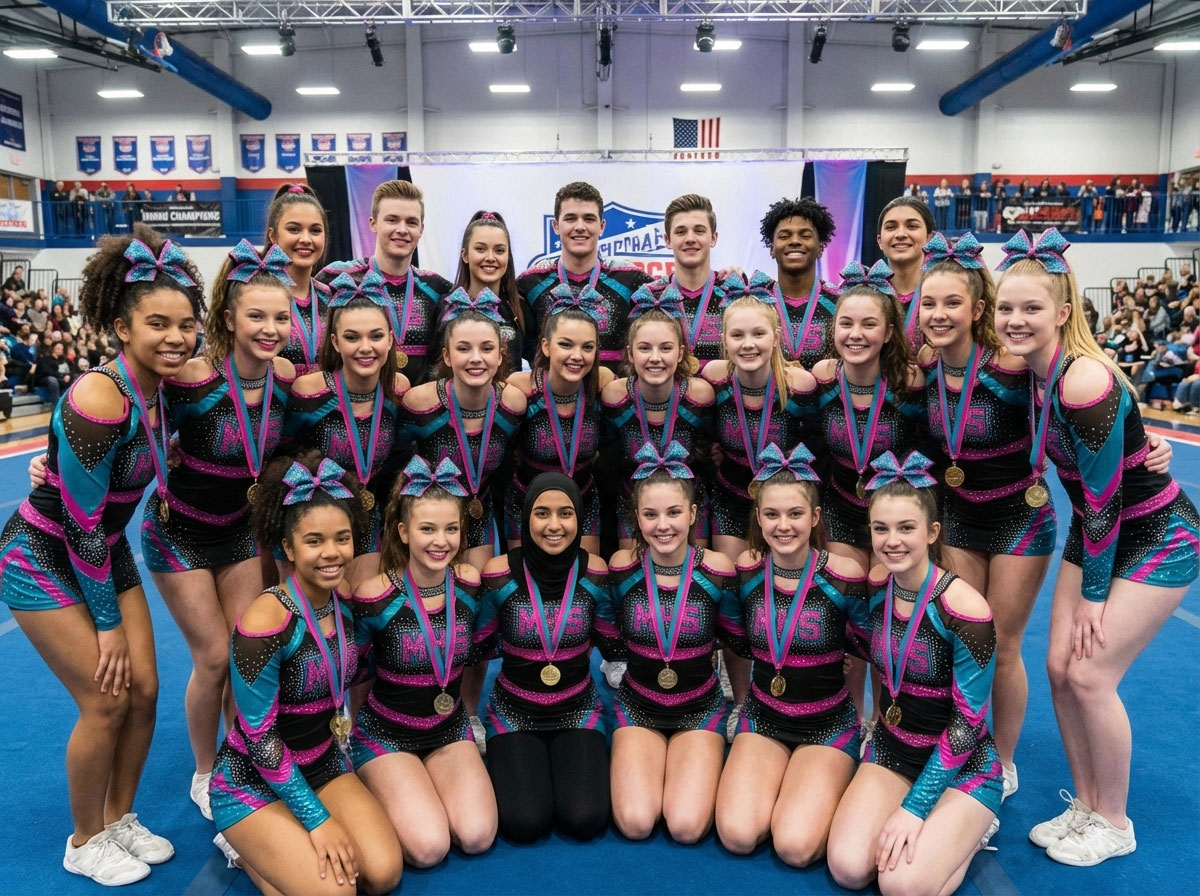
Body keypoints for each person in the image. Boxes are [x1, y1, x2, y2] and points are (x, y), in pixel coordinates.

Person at [0, 226, 205, 886]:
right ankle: (84, 839)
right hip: (41, 555)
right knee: (106, 698)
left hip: (100, 549)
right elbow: (80, 527)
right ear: (121, 326)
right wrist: (108, 627)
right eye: (157, 324)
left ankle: (119, 820)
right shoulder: (99, 396)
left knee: (145, 691)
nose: (175, 337)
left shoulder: (160, 389)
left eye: (185, 324)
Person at [994, 228, 1199, 866]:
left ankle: (1114, 821)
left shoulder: (1082, 380)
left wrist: (1092, 596)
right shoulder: (1031, 371)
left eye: (1032, 308)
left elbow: (1109, 498)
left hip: (1156, 534)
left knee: (1089, 673)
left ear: (1063, 311)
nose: (1016, 320)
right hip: (1099, 529)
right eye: (1006, 308)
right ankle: (1084, 805)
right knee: (1058, 668)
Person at [139, 240, 294, 821]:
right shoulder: (190, 378)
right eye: (256, 315)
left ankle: (242, 757)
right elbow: (133, 419)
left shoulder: (286, 379)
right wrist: (48, 464)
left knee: (248, 653)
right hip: (179, 535)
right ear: (228, 318)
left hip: (238, 534)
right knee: (210, 658)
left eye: (280, 316)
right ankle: (206, 772)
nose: (270, 327)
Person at [208, 452, 402, 895]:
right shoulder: (264, 622)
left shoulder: (344, 607)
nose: (331, 553)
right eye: (314, 541)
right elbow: (260, 739)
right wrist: (317, 821)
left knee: (384, 873)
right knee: (338, 892)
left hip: (323, 761)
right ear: (288, 548)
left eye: (342, 539)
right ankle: (241, 846)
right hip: (252, 779)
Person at [916, 231, 1057, 801]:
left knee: (1002, 642)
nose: (939, 314)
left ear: (978, 309)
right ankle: (963, 745)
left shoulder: (1012, 364)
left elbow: (1083, 381)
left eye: (953, 303)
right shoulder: (923, 367)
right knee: (963, 639)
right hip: (958, 518)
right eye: (928, 303)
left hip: (1019, 519)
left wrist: (1146, 447)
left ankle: (1001, 759)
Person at [829, 450, 1000, 895]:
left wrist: (915, 808)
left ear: (932, 532)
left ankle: (972, 828)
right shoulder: (877, 588)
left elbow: (969, 723)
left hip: (962, 763)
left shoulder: (965, 609)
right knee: (848, 868)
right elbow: (865, 640)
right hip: (893, 747)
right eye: (881, 528)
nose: (893, 541)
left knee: (900, 886)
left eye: (906, 528)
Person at [716, 444, 867, 865]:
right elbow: (737, 641)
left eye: (796, 514)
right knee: (737, 834)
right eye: (772, 515)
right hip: (764, 716)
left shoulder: (843, 574)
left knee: (795, 847)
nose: (784, 526)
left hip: (826, 721)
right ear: (758, 518)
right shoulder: (746, 569)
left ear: (815, 518)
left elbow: (875, 647)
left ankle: (821, 784)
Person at [351, 456, 497, 867]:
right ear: (403, 531)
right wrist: (354, 731)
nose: (441, 541)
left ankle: (427, 781)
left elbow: (477, 653)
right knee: (430, 847)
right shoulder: (374, 596)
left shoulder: (469, 584)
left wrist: (468, 714)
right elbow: (356, 674)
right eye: (427, 529)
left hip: (448, 727)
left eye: (451, 529)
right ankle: (381, 777)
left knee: (477, 835)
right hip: (387, 732)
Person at [606, 445, 737, 842]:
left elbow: (736, 643)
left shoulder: (717, 570)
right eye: (650, 514)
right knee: (635, 822)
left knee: (685, 826)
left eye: (674, 513)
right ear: (636, 519)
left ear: (694, 514)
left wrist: (743, 705)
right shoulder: (621, 569)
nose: (663, 525)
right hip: (639, 702)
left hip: (699, 705)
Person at [477, 473, 614, 842]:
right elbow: (477, 648)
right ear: (525, 519)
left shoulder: (596, 573)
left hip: (578, 708)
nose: (554, 525)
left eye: (565, 514)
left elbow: (613, 643)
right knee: (525, 824)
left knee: (584, 819)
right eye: (542, 514)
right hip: (513, 711)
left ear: (579, 519)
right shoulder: (499, 573)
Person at [284, 272, 409, 585]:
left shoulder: (398, 390)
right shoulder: (309, 393)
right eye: (352, 337)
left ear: (391, 339)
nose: (365, 348)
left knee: (362, 611)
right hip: (314, 525)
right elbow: (277, 452)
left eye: (376, 336)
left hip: (369, 520)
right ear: (335, 341)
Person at [401, 288, 526, 571]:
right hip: (431, 519)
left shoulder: (513, 404)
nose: (476, 358)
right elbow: (396, 465)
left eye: (486, 348)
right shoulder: (420, 402)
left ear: (500, 355)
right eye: (463, 349)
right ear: (446, 356)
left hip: (480, 511)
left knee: (476, 593)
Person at [601, 289, 714, 550]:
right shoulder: (614, 397)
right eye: (644, 348)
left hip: (690, 502)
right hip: (632, 501)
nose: (655, 358)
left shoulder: (700, 396)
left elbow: (712, 441)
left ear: (680, 352)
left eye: (665, 348)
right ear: (630, 354)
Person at [505, 293, 613, 555]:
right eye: (566, 345)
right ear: (545, 346)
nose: (577, 356)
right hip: (526, 501)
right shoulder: (520, 388)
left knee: (586, 581)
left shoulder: (602, 384)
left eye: (587, 347)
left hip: (583, 499)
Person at [318, 179, 451, 387]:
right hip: (357, 409)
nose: (402, 229)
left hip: (418, 412)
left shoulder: (438, 288)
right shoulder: (338, 278)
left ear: (421, 229)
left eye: (411, 222)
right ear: (373, 223)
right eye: (392, 220)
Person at [518, 181, 651, 373]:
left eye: (589, 219)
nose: (580, 227)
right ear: (556, 225)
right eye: (570, 218)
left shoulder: (632, 280)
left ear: (602, 226)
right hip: (551, 399)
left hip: (614, 397)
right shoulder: (530, 283)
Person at [633, 194, 740, 369]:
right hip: (667, 395)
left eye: (699, 230)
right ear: (668, 240)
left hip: (726, 395)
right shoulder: (650, 296)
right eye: (681, 231)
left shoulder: (734, 293)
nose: (690, 238)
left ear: (713, 238)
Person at [755, 197, 840, 370]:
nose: (794, 241)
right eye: (784, 236)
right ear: (772, 248)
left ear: (820, 248)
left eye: (805, 235)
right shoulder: (756, 301)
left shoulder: (840, 302)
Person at [264, 184, 331, 376]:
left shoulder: (332, 298)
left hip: (326, 405)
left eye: (315, 231)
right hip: (271, 404)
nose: (306, 239)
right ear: (273, 236)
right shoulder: (255, 296)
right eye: (294, 229)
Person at [449, 210, 533, 363]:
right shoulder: (447, 305)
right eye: (480, 249)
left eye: (499, 251)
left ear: (508, 256)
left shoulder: (519, 308)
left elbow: (540, 362)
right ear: (465, 255)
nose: (490, 258)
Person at [876, 196, 935, 348]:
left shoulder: (946, 292)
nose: (900, 234)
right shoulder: (867, 293)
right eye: (891, 227)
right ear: (880, 241)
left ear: (930, 238)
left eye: (912, 226)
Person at [33, 338, 72, 406]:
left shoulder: (64, 359)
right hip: (46, 378)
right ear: (53, 349)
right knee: (52, 380)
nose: (61, 350)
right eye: (58, 348)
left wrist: (68, 376)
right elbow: (47, 371)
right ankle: (57, 406)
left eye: (62, 349)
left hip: (61, 378)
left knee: (75, 378)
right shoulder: (46, 358)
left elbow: (71, 369)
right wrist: (61, 376)